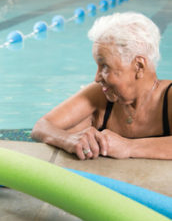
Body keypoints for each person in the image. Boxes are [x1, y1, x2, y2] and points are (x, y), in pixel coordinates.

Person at [31, 12, 172, 160]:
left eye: (105, 66)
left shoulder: (168, 97)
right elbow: (42, 126)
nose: (97, 77)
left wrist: (128, 147)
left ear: (138, 66)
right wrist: (69, 140)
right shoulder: (100, 94)